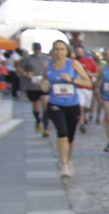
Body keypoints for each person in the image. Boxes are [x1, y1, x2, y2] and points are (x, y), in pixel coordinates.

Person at [41, 40, 93, 177]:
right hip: (55, 103)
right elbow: (44, 81)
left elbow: (88, 82)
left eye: (62, 49)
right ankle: (63, 164)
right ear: (52, 51)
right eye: (56, 49)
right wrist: (44, 85)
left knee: (70, 136)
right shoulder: (47, 65)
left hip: (72, 104)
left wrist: (72, 80)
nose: (59, 52)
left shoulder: (73, 64)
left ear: (67, 51)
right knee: (62, 131)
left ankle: (68, 160)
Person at [17, 42, 49, 136]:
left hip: (43, 85)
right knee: (36, 106)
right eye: (36, 49)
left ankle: (46, 128)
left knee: (45, 105)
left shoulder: (46, 58)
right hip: (32, 86)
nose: (37, 51)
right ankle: (37, 120)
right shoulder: (27, 59)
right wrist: (26, 74)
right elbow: (18, 69)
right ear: (33, 49)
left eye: (39, 49)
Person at [73, 45, 99, 132]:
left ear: (83, 52)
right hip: (77, 87)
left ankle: (83, 115)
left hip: (88, 87)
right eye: (77, 52)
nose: (79, 53)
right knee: (80, 106)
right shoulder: (73, 62)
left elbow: (97, 73)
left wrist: (91, 74)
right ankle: (82, 124)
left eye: (80, 51)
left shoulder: (90, 61)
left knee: (88, 107)